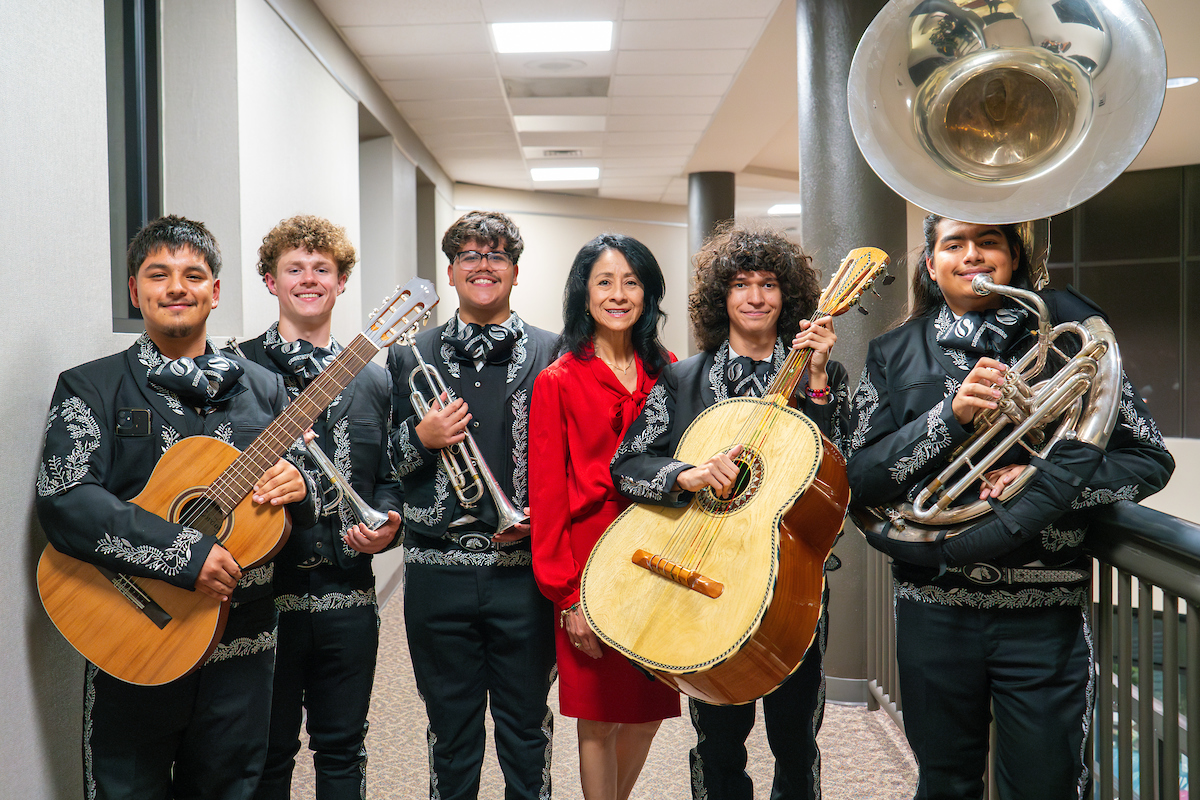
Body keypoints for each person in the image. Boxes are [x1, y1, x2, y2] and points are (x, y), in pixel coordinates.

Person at [845, 215, 1176, 799]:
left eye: (988, 241)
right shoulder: (892, 353)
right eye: (954, 244)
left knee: (1045, 786)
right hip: (935, 608)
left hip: (1044, 609)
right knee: (944, 782)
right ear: (932, 265)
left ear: (1013, 259)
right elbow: (862, 478)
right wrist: (948, 420)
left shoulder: (1076, 343)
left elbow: (1148, 459)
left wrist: (1044, 476)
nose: (972, 254)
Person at [35, 215, 316, 800]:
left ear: (216, 291)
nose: (176, 287)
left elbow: (294, 499)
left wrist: (299, 488)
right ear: (135, 291)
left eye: (193, 275)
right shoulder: (91, 388)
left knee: (233, 788)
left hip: (242, 642)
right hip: (131, 629)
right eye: (158, 274)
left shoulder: (264, 389)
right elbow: (65, 498)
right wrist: (183, 554)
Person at [610, 223, 850, 800]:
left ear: (787, 297)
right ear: (722, 297)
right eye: (741, 284)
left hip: (792, 583)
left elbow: (843, 473)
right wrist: (685, 475)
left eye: (769, 285)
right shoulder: (682, 378)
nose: (755, 297)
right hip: (705, 582)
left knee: (796, 738)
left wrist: (815, 383)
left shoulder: (825, 375)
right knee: (717, 740)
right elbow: (627, 466)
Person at [227, 215, 403, 800]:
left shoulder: (375, 380)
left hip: (349, 598)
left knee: (343, 751)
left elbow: (388, 479)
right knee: (267, 754)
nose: (309, 280)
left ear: (342, 281)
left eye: (322, 269)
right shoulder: (235, 372)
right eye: (294, 269)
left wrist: (390, 523)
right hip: (262, 599)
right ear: (270, 281)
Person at [388, 210, 558, 800]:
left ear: (514, 272)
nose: (482, 264)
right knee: (450, 732)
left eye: (496, 255)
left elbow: (571, 463)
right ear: (453, 272)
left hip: (523, 575)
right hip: (437, 572)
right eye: (468, 254)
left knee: (525, 729)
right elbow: (386, 463)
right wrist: (421, 437)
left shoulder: (554, 352)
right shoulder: (410, 355)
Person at [528, 234, 680, 800]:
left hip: (658, 555)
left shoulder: (669, 372)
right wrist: (567, 596)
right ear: (583, 294)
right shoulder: (559, 380)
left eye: (632, 282)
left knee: (647, 710)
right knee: (598, 715)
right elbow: (546, 496)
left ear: (649, 292)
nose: (618, 295)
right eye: (604, 282)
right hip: (589, 565)